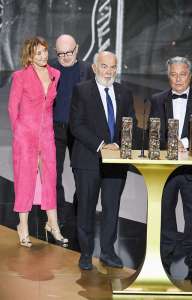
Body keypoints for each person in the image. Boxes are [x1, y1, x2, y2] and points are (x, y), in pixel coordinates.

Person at [69, 51, 135, 270]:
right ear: (95, 68)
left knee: (111, 207)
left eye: (113, 67)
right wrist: (100, 145)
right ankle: (86, 253)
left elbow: (130, 123)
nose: (109, 71)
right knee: (86, 207)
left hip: (116, 161)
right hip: (88, 159)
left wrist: (119, 144)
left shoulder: (124, 92)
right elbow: (76, 125)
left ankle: (108, 251)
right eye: (104, 66)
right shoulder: (82, 91)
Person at [150, 56, 192, 281]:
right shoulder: (157, 99)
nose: (178, 79)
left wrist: (185, 143)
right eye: (173, 74)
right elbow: (153, 131)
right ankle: (165, 257)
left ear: (190, 75)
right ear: (169, 76)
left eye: (182, 74)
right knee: (166, 213)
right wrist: (170, 144)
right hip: (165, 168)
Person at [8, 36, 68, 248]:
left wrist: (45, 132)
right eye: (38, 53)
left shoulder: (55, 74)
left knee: (49, 179)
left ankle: (53, 224)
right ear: (30, 56)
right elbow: (12, 108)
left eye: (44, 51)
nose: (43, 56)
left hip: (47, 136)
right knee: (25, 179)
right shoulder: (20, 77)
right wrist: (20, 133)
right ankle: (22, 225)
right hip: (25, 136)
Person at [49, 34, 94, 226]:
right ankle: (57, 214)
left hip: (79, 131)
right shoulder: (48, 68)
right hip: (53, 129)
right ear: (55, 52)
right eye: (61, 53)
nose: (66, 56)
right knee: (53, 174)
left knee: (81, 173)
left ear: (77, 49)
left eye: (69, 52)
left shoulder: (87, 70)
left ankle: (78, 211)